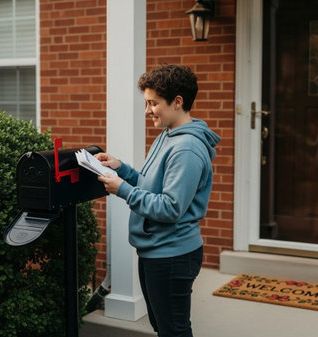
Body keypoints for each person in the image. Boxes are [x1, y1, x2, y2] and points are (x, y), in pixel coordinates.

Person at [95, 64, 221, 337]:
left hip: (172, 254)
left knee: (173, 330)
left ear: (177, 102)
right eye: (146, 102)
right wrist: (121, 169)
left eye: (153, 103)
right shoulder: (168, 135)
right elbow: (151, 185)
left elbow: (170, 207)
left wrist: (123, 190)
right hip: (157, 251)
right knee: (163, 327)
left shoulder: (186, 148)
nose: (147, 111)